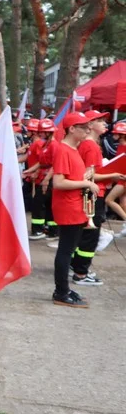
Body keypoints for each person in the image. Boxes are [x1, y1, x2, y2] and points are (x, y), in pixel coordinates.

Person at [50, 112, 101, 309]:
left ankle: (64, 289)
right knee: (66, 250)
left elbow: (70, 176)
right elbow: (59, 182)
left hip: (75, 205)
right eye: (84, 128)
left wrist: (85, 175)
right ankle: (61, 291)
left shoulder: (73, 150)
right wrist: (86, 182)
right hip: (68, 207)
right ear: (72, 129)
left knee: (69, 250)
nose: (88, 131)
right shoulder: (64, 150)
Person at [69, 111, 122, 285]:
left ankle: (77, 266)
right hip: (94, 193)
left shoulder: (86, 144)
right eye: (101, 121)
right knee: (90, 235)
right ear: (91, 125)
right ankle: (81, 273)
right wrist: (114, 173)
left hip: (92, 193)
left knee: (84, 234)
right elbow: (90, 174)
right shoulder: (91, 146)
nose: (105, 125)